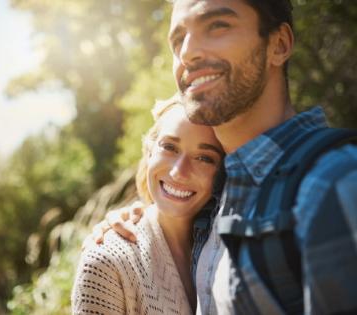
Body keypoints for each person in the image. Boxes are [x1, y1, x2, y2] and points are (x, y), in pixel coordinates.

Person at [92, 0, 357, 314]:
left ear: (279, 44)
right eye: (178, 41)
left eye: (217, 26)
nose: (187, 53)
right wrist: (141, 220)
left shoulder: (335, 183)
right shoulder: (219, 190)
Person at [71, 96, 225, 314]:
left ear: (222, 172)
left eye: (204, 158)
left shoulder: (228, 247)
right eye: (169, 147)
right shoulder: (106, 263)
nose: (178, 172)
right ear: (149, 152)